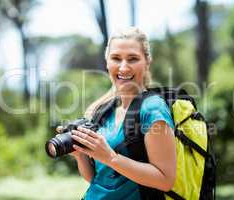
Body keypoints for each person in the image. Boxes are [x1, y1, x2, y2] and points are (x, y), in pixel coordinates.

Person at [58, 27, 176, 200]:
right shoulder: (105, 110)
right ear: (107, 62)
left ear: (147, 62)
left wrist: (110, 157)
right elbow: (99, 180)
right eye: (116, 58)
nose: (123, 67)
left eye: (133, 59)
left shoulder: (153, 109)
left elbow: (165, 180)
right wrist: (80, 156)